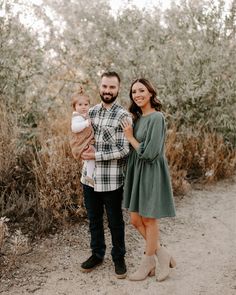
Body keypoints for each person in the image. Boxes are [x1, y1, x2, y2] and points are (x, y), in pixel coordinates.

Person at [121, 78, 176, 282]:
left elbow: (151, 153)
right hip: (137, 171)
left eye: (141, 90)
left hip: (151, 170)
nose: (137, 94)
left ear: (151, 93)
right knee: (135, 219)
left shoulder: (157, 118)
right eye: (134, 92)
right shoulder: (137, 118)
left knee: (149, 219)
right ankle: (162, 254)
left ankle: (148, 261)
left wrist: (130, 138)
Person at [80, 71, 131, 279]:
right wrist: (80, 150)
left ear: (118, 89)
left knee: (115, 221)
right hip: (89, 178)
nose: (107, 91)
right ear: (99, 87)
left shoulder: (123, 116)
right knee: (93, 219)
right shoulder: (90, 113)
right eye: (104, 87)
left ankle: (119, 257)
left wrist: (96, 155)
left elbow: (124, 149)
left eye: (112, 87)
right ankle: (97, 254)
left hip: (111, 179)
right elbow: (80, 137)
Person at [70, 93, 95, 185]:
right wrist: (85, 124)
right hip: (81, 143)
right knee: (92, 155)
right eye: (80, 105)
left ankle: (89, 175)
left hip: (85, 142)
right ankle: (89, 176)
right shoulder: (77, 117)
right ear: (75, 106)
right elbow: (74, 128)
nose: (83, 107)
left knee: (91, 158)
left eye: (86, 104)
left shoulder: (85, 115)